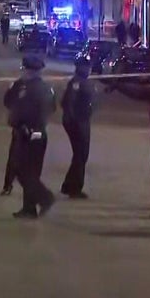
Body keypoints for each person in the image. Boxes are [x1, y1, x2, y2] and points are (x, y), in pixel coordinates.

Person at [3, 55, 57, 219]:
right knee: (32, 172)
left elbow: (11, 104)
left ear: (28, 70)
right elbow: (53, 108)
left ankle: (45, 197)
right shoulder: (45, 87)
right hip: (39, 134)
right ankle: (29, 208)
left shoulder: (26, 88)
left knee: (23, 171)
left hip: (27, 134)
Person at [59, 61, 95, 199]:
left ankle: (69, 185)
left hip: (81, 121)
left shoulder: (81, 81)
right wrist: (75, 120)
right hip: (79, 123)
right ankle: (74, 188)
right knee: (81, 155)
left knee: (80, 155)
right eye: (88, 67)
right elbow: (67, 103)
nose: (89, 70)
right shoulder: (77, 83)